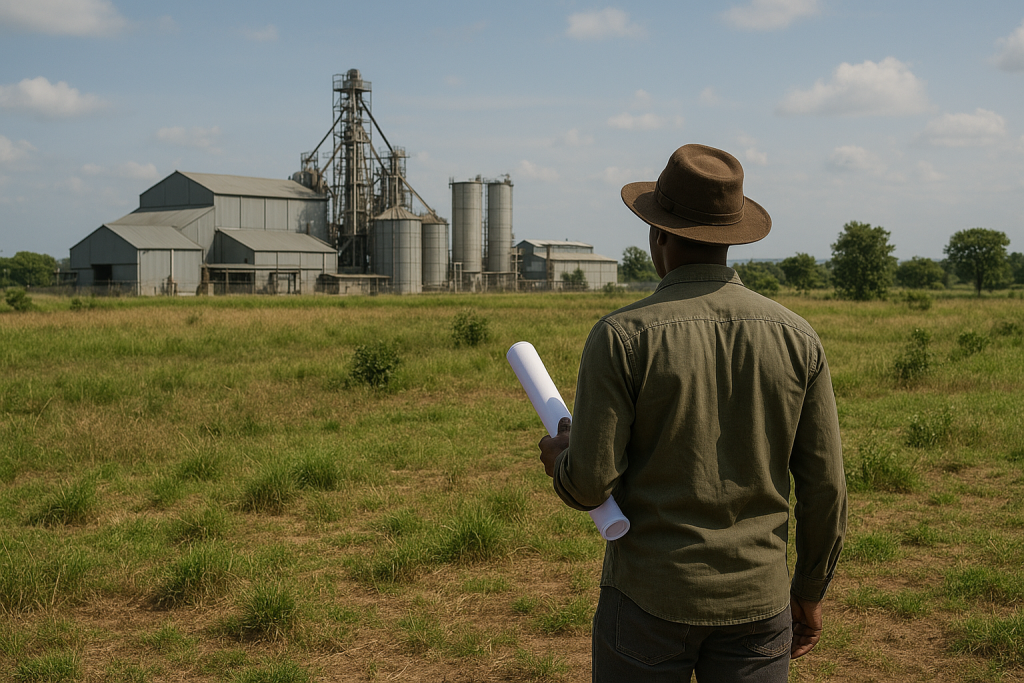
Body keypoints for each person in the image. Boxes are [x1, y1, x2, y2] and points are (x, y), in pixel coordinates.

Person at [538, 144, 847, 682]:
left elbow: (590, 483)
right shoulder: (799, 338)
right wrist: (809, 592)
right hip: (759, 602)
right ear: (731, 237)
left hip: (647, 601)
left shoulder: (620, 337)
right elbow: (826, 488)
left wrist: (561, 460)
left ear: (658, 234)